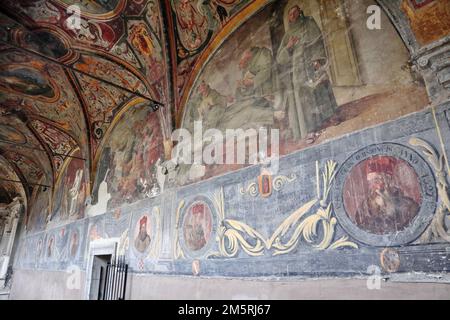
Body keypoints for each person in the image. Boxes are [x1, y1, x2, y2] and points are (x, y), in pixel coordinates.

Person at [276, 5, 338, 141]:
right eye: (290, 14)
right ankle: (310, 128)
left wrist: (317, 60)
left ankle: (331, 116)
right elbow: (280, 58)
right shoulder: (288, 35)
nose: (292, 16)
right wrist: (289, 46)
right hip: (298, 69)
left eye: (294, 13)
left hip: (312, 63)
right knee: (304, 97)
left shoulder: (309, 22)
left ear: (300, 12)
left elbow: (318, 41)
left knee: (321, 88)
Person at [354, 157, 419, 235]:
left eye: (377, 180)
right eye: (371, 182)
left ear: (389, 181)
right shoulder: (363, 209)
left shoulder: (410, 206)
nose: (376, 187)